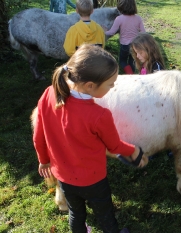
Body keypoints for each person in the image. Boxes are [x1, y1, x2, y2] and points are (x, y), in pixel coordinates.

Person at [32, 44, 148, 233]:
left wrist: (43, 161)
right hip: (93, 180)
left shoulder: (48, 94)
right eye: (110, 84)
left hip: (64, 177)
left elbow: (39, 134)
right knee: (105, 214)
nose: (112, 88)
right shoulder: (99, 115)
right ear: (90, 85)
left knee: (76, 213)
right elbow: (115, 146)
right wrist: (135, 151)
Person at [105, 0, 145, 74]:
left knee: (122, 61)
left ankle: (130, 74)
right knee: (132, 61)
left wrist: (103, 31)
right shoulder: (138, 18)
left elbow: (111, 32)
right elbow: (143, 32)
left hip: (124, 45)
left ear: (122, 6)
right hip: (135, 45)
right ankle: (132, 75)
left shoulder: (119, 19)